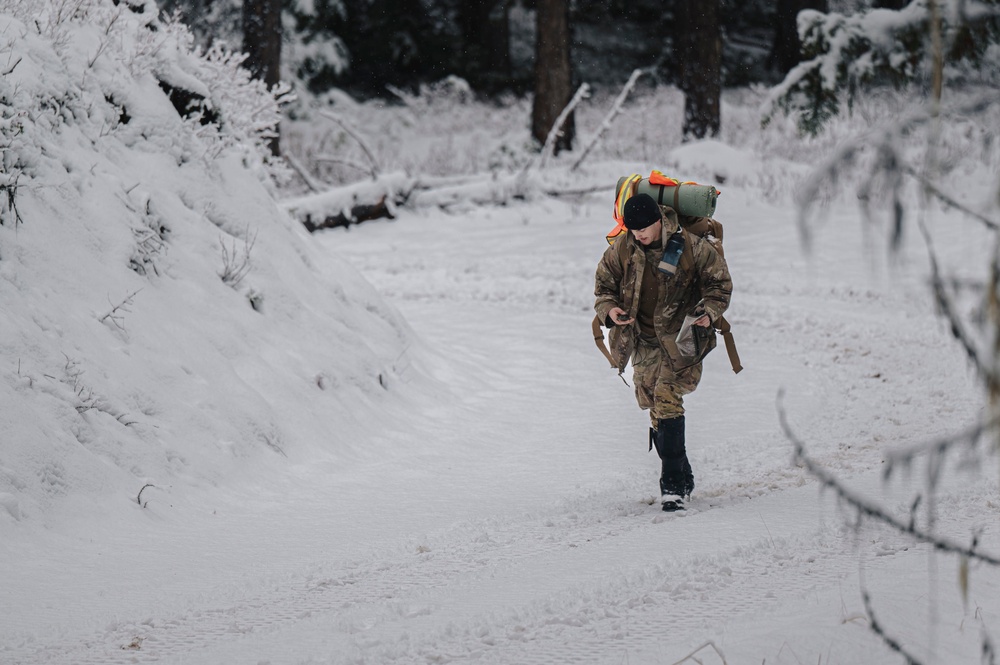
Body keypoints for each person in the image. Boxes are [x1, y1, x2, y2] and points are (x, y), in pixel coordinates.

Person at [594, 193, 732, 511]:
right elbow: (603, 287)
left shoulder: (691, 248)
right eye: (633, 229)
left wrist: (709, 312)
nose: (639, 234)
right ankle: (683, 473)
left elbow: (720, 285)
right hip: (642, 339)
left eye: (644, 228)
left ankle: (672, 487)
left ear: (659, 220)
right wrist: (610, 310)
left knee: (667, 396)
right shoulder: (622, 250)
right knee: (652, 402)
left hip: (683, 336)